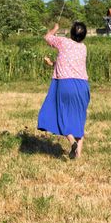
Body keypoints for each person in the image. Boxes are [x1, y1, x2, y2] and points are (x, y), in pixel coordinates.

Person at [37, 20, 90, 158]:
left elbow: (47, 37)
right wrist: (53, 64)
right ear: (83, 36)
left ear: (71, 33)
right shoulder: (83, 48)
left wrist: (55, 28)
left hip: (66, 84)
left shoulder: (64, 42)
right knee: (79, 118)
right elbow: (69, 64)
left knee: (61, 114)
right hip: (83, 86)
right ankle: (78, 155)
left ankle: (71, 141)